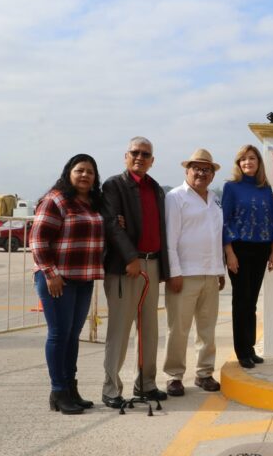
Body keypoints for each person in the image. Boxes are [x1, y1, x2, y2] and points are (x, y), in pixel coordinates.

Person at [31, 154, 104, 415]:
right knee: (59, 334)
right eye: (80, 170)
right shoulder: (56, 199)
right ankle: (58, 391)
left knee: (73, 336)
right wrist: (51, 274)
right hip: (58, 279)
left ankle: (71, 388)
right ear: (69, 173)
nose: (85, 175)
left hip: (83, 278)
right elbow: (38, 241)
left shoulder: (93, 203)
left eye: (90, 172)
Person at [101, 136, 170, 407]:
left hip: (153, 265)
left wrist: (164, 268)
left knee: (150, 329)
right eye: (135, 152)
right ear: (125, 156)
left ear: (152, 161)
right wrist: (131, 258)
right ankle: (110, 390)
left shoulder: (156, 189)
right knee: (119, 330)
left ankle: (146, 384)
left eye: (145, 154)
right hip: (126, 267)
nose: (139, 157)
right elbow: (111, 224)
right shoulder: (114, 185)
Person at [163, 149, 226, 396]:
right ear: (187, 171)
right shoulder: (175, 197)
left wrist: (219, 270)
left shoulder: (214, 199)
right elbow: (170, 239)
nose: (201, 173)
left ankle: (204, 373)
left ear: (212, 174)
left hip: (211, 273)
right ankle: (174, 376)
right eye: (196, 168)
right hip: (185, 274)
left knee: (207, 329)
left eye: (206, 169)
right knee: (178, 329)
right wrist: (174, 273)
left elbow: (215, 236)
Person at [222, 145, 273, 369]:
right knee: (241, 301)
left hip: (261, 249)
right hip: (239, 249)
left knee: (252, 302)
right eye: (243, 159)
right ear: (238, 163)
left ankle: (250, 348)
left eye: (252, 158)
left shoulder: (265, 188)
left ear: (259, 162)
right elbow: (225, 221)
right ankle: (242, 352)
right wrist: (229, 253)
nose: (248, 162)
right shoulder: (231, 187)